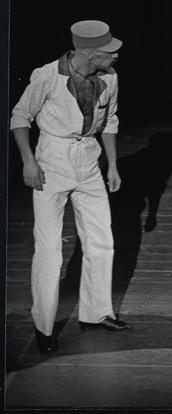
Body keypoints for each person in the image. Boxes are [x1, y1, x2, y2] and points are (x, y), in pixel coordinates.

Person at [10, 20, 131, 354]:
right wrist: (29, 162)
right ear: (89, 52)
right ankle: (44, 326)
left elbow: (110, 120)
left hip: (88, 159)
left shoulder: (110, 77)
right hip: (52, 159)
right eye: (109, 51)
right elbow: (20, 117)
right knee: (49, 248)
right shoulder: (47, 75)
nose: (116, 55)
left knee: (101, 240)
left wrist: (112, 164)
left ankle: (96, 313)